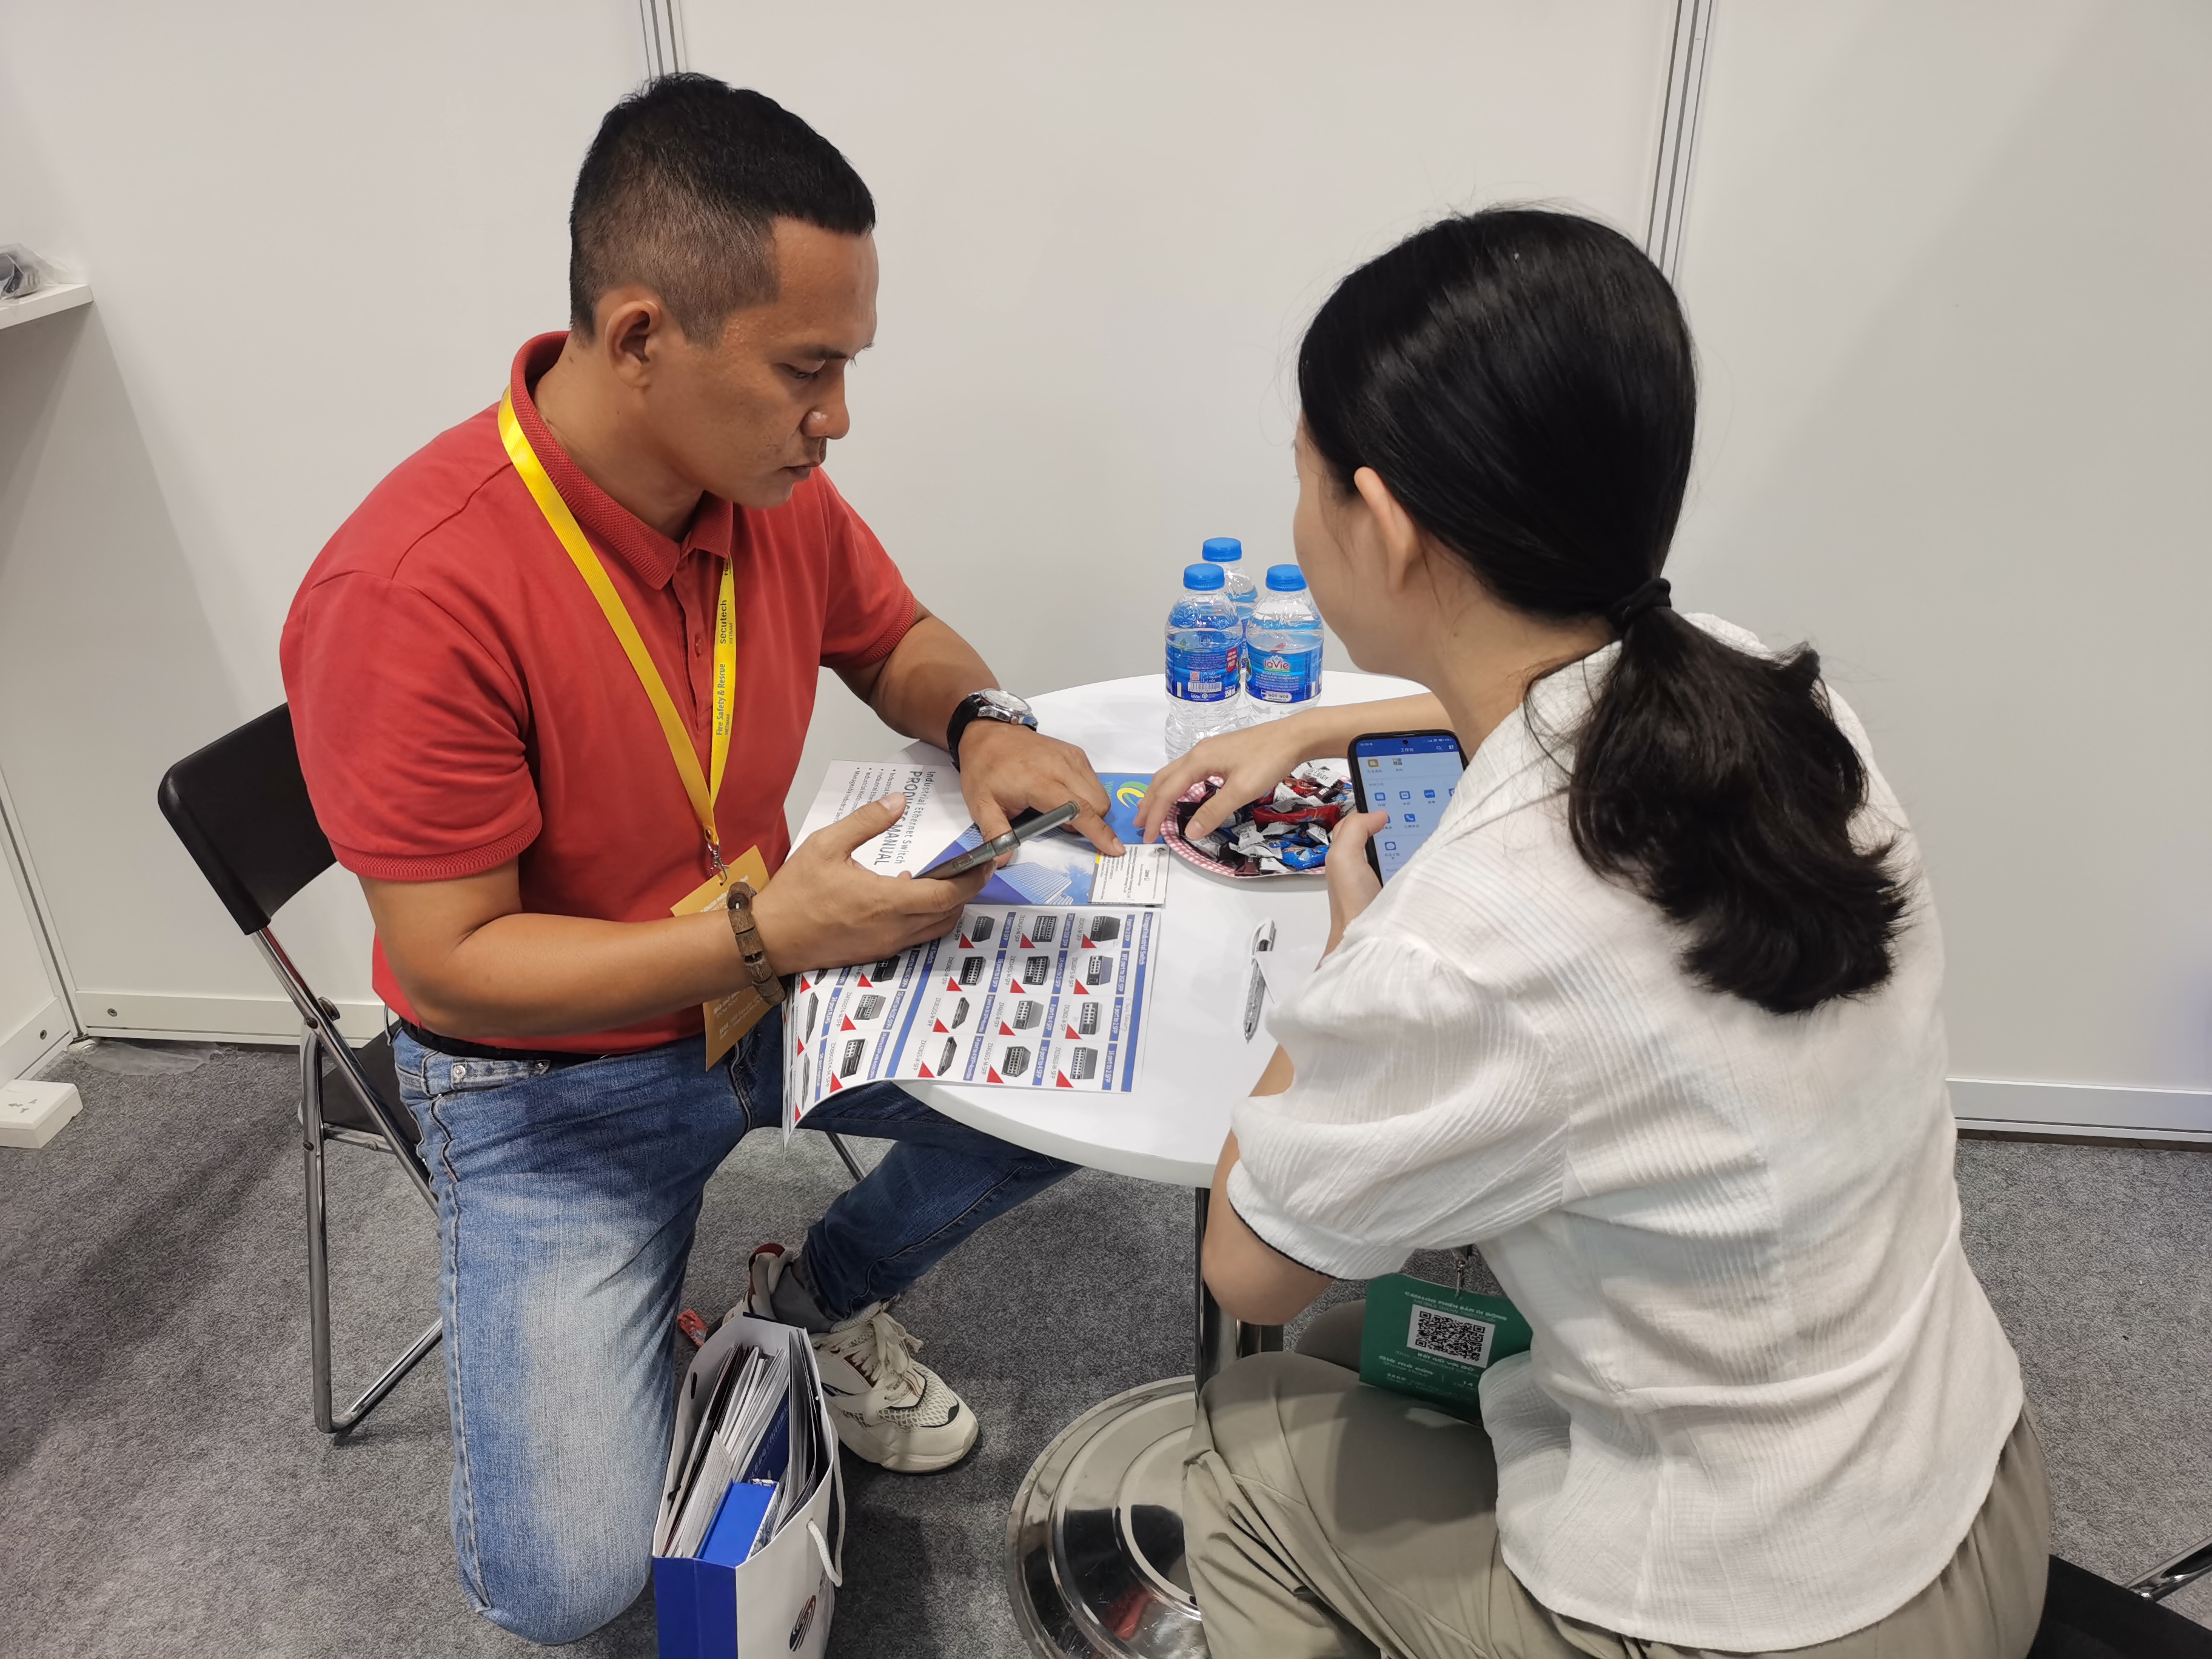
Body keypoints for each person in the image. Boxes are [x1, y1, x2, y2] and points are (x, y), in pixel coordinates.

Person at [281, 76, 1120, 1644]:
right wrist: (768, 938)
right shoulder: (413, 590)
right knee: (568, 1586)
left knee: (1097, 1069)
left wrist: (985, 721)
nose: (838, 417)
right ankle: (680, 1333)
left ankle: (805, 1309)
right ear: (641, 336)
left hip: (771, 983)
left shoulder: (766, 489)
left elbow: (898, 637)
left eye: (848, 366)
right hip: (545, 1085)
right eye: (809, 370)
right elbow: (457, 967)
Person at [1140, 210, 2047, 1659]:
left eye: (1304, 482)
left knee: (1250, 1427)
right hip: (1970, 1486)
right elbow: (1551, 697)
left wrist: (1354, 959)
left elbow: (1249, 1268)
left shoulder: (1467, 939)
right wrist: (1314, 726)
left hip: (1759, 1618)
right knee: (1374, 1343)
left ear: (1382, 523)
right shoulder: (1769, 695)